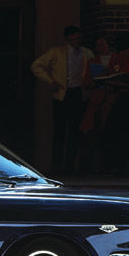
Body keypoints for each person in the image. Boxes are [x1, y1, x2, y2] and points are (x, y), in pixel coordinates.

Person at [31, 25, 93, 174]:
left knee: (75, 131)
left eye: (78, 38)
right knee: (60, 131)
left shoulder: (87, 53)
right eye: (73, 39)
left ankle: (70, 165)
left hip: (79, 93)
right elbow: (36, 66)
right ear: (67, 39)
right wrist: (51, 81)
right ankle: (57, 165)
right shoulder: (57, 52)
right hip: (62, 94)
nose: (76, 41)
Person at [100, 32, 129, 176]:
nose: (124, 53)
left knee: (128, 135)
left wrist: (119, 84)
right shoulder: (121, 58)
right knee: (115, 133)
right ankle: (114, 165)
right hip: (121, 99)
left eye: (126, 50)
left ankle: (125, 167)